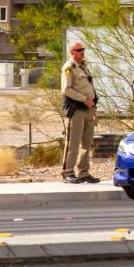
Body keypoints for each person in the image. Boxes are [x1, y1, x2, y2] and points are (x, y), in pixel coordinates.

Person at [61, 41, 99, 184]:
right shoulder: (69, 68)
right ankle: (68, 172)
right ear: (72, 52)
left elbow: (90, 87)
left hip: (88, 109)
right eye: (78, 50)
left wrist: (93, 108)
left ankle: (83, 172)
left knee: (87, 143)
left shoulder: (84, 67)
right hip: (76, 110)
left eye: (83, 49)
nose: (82, 52)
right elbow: (67, 89)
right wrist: (84, 99)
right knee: (73, 142)